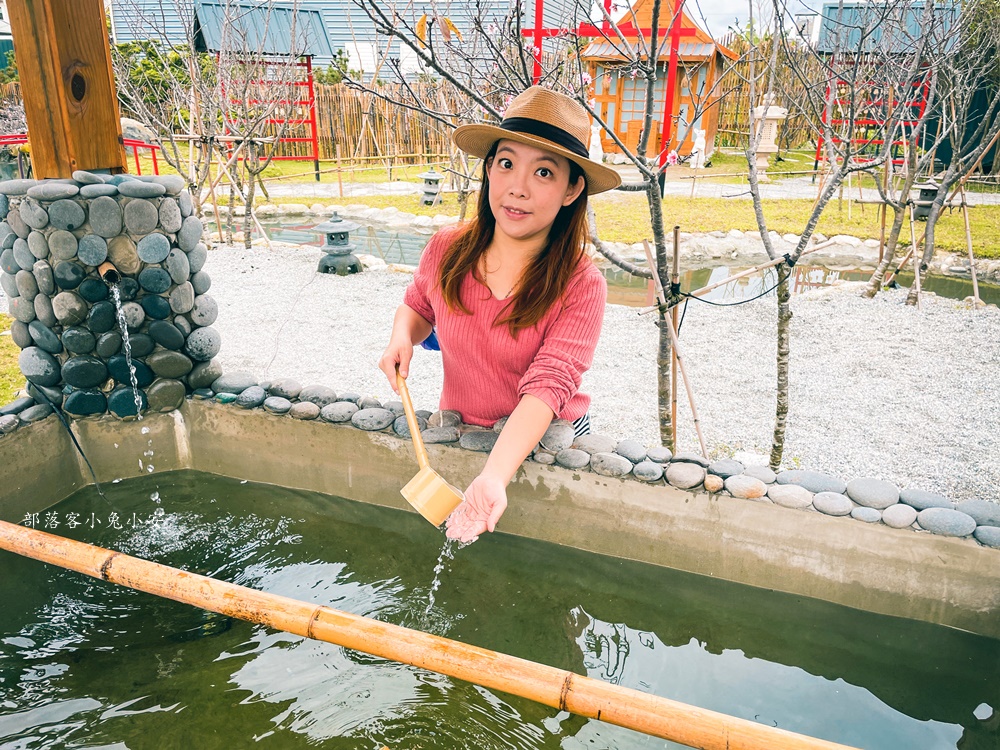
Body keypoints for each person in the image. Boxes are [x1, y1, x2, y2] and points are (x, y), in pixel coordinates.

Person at [378, 86, 621, 543]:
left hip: (546, 434)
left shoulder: (582, 284)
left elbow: (549, 385)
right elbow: (418, 305)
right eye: (506, 163)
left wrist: (494, 476)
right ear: (489, 169)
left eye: (544, 172)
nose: (517, 187)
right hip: (461, 423)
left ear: (572, 190)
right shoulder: (448, 247)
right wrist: (402, 337)